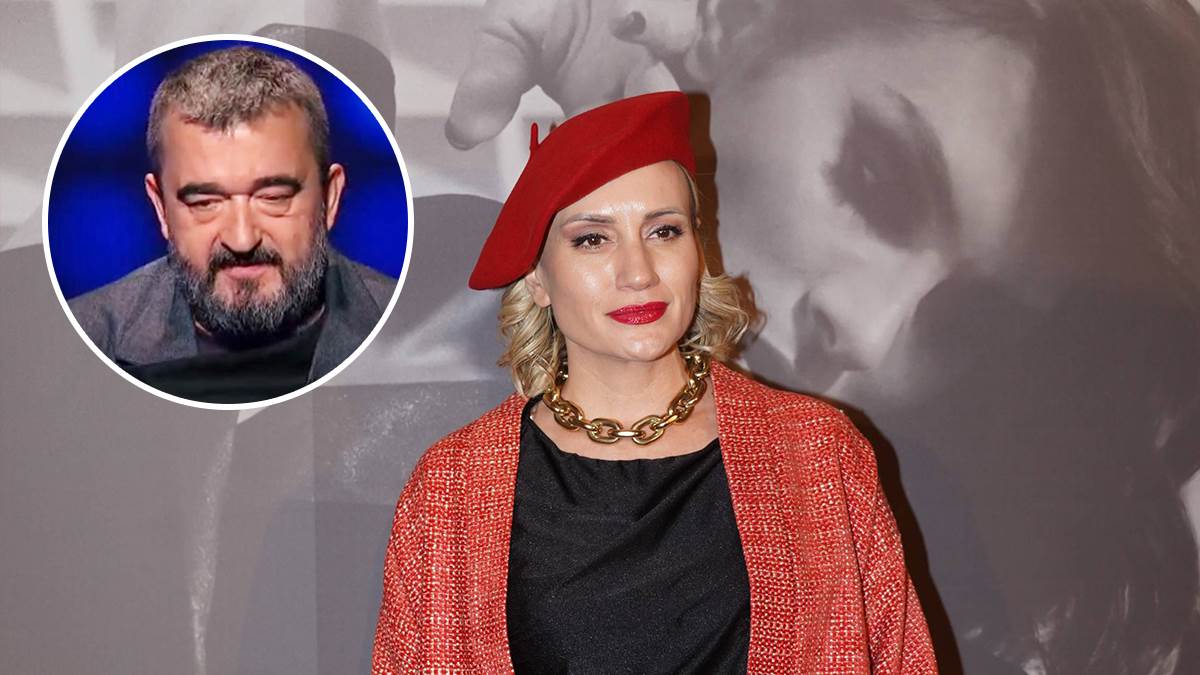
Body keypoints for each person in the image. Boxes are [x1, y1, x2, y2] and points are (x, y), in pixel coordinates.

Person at [372, 92, 936, 673]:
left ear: (698, 250)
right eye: (592, 239)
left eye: (664, 231)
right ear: (537, 277)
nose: (638, 273)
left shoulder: (817, 453)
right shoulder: (453, 489)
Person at [68, 46, 396, 404]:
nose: (242, 239)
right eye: (205, 203)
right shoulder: (81, 343)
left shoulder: (409, 328)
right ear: (160, 207)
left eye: (273, 197)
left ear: (329, 198)